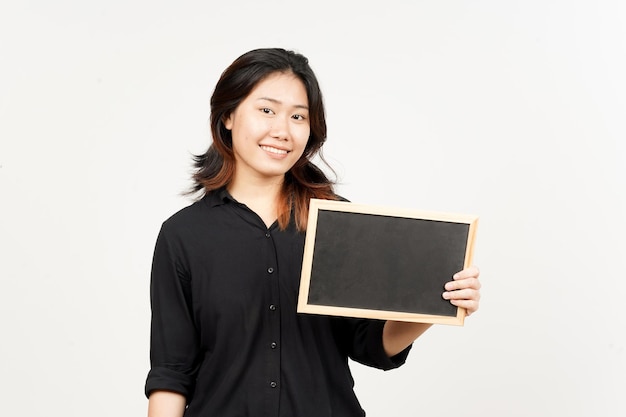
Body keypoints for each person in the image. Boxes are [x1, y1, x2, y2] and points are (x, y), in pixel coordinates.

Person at [145, 48, 481, 417]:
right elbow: (171, 372)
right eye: (266, 110)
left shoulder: (337, 224)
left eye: (298, 116)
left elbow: (370, 343)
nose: (282, 131)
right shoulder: (183, 235)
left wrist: (432, 304)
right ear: (227, 115)